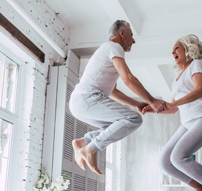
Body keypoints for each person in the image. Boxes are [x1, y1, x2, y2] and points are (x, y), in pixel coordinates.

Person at [69, 20, 166, 175]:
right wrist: (151, 101)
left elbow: (113, 91)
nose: (133, 41)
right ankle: (91, 149)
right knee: (134, 119)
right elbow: (128, 79)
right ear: (122, 33)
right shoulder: (114, 47)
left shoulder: (107, 51)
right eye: (131, 36)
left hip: (79, 102)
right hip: (87, 98)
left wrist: (136, 104)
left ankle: (84, 142)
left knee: (117, 125)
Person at [143, 34, 202, 191]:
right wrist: (153, 109)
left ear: (188, 49)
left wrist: (173, 102)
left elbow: (200, 90)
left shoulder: (196, 64)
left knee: (178, 157)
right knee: (165, 161)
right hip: (187, 122)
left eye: (176, 47)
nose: (172, 52)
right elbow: (174, 109)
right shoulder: (176, 80)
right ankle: (201, 188)